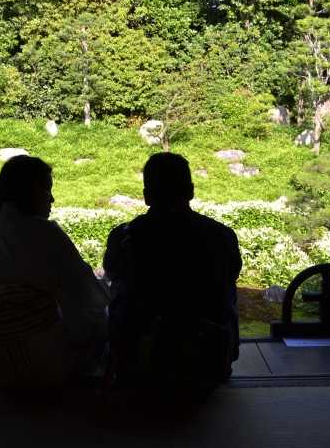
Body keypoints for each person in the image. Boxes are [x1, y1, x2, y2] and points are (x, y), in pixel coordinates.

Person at [103, 152, 242, 393]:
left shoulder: (123, 236)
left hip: (139, 362)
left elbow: (112, 274)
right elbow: (231, 276)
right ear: (190, 191)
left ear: (146, 196)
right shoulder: (221, 235)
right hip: (207, 361)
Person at [0, 155, 108, 389]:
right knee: (102, 316)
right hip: (44, 362)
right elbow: (89, 295)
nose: (52, 198)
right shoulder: (46, 233)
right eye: (47, 190)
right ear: (30, 191)